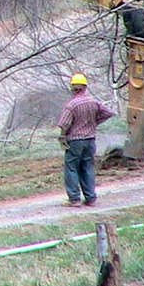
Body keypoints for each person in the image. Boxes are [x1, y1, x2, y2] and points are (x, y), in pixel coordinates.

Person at [57, 72, 115, 207]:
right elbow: (109, 112)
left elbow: (64, 124)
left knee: (71, 168)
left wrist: (62, 136)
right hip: (90, 140)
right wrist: (95, 122)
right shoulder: (94, 102)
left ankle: (74, 199)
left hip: (75, 141)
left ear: (72, 88)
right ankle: (90, 198)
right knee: (87, 167)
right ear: (85, 87)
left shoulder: (71, 105)